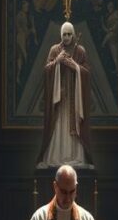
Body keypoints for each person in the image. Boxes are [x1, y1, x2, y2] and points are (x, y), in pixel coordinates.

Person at [36, 22, 94, 169]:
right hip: (60, 99)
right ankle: (57, 157)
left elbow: (87, 72)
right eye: (64, 34)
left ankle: (76, 157)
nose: (67, 37)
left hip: (75, 100)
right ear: (60, 35)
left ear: (73, 34)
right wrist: (57, 62)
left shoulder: (80, 51)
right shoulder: (55, 50)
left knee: (73, 127)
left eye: (69, 34)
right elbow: (46, 70)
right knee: (59, 127)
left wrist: (74, 66)